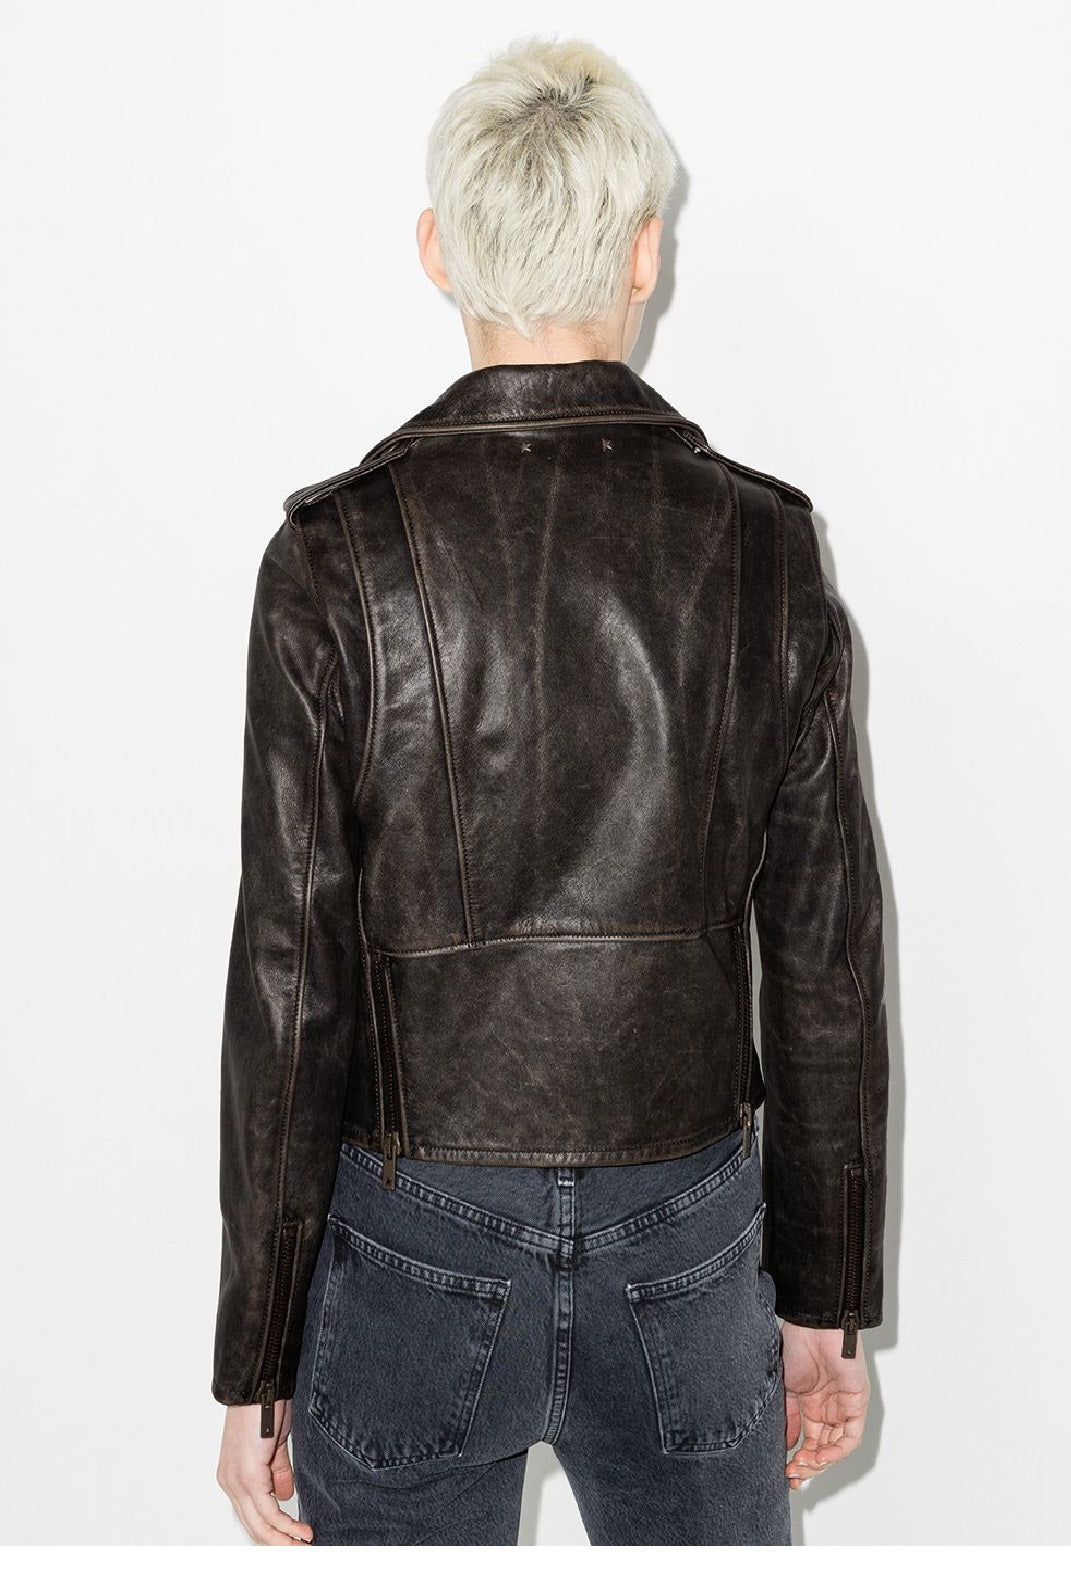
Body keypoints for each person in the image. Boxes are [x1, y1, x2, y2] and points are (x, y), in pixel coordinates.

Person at [212, 34, 889, 1547]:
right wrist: (826, 1296)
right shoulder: (766, 549)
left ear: (437, 249)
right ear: (645, 253)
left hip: (413, 1228)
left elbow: (287, 978)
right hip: (687, 1229)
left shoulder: (332, 560)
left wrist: (255, 1350)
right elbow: (828, 962)